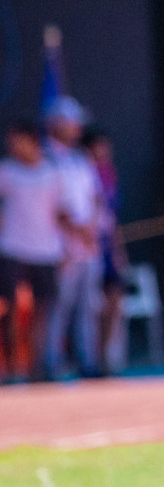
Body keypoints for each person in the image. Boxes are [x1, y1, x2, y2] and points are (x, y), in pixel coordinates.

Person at [0, 118, 70, 382]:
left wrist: (77, 239)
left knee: (43, 310)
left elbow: (62, 213)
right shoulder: (6, 172)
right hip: (12, 250)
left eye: (17, 140)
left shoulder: (52, 173)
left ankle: (37, 367)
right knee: (10, 309)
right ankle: (9, 368)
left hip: (46, 252)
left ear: (31, 141)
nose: (13, 146)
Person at [43, 97, 102, 378]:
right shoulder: (45, 159)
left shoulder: (81, 160)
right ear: (56, 125)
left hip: (87, 246)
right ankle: (49, 364)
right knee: (58, 307)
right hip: (59, 247)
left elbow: (93, 198)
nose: (77, 127)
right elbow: (55, 206)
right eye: (71, 121)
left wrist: (91, 231)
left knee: (88, 307)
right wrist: (77, 233)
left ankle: (86, 362)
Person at [81, 127, 129, 376]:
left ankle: (105, 357)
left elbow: (112, 218)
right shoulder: (81, 174)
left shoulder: (108, 174)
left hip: (107, 247)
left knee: (115, 299)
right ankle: (91, 359)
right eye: (100, 147)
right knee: (90, 307)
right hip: (87, 248)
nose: (105, 152)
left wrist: (119, 251)